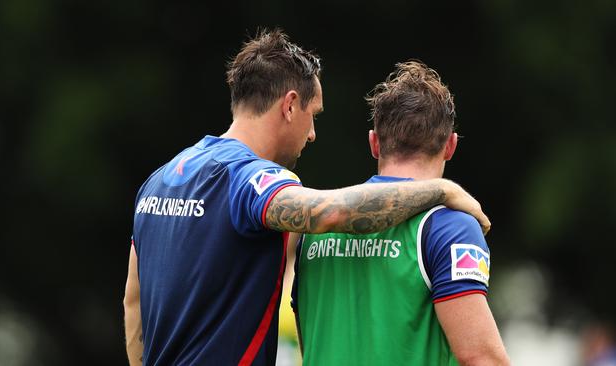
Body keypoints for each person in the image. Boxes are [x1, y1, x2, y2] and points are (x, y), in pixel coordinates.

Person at [123, 30, 490, 366]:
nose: (312, 134)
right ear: (289, 105)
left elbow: (133, 301)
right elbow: (328, 214)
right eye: (313, 116)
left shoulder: (161, 179)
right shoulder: (252, 179)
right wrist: (442, 190)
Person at [292, 61, 509, 365]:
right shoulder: (449, 226)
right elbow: (483, 358)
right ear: (450, 146)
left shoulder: (314, 230)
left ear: (374, 143)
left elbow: (311, 342)